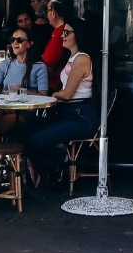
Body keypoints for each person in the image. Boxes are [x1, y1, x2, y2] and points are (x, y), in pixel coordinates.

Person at [22, 18, 98, 188]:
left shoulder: (82, 59)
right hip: (67, 113)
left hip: (80, 115)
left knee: (36, 139)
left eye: (67, 32)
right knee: (26, 129)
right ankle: (51, 169)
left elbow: (67, 94)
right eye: (62, 32)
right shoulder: (72, 58)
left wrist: (53, 94)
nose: (62, 36)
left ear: (77, 35)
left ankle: (59, 163)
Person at [0, 27, 49, 144]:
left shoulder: (39, 66)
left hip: (24, 111)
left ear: (30, 44)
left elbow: (44, 95)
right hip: (4, 107)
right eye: (12, 39)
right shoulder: (5, 64)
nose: (15, 43)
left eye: (19, 40)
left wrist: (21, 91)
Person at [41, 0, 70, 91]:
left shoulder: (59, 35)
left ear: (53, 13)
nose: (47, 14)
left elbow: (47, 68)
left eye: (48, 11)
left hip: (52, 87)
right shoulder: (59, 33)